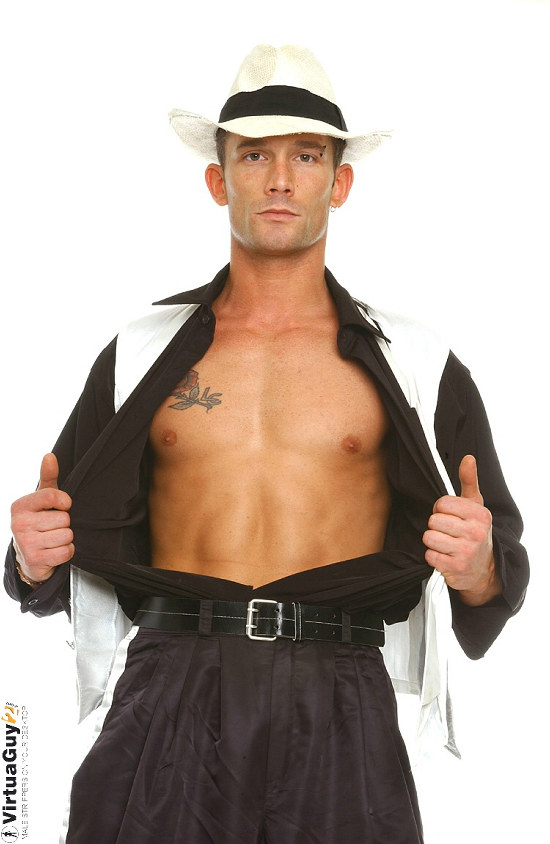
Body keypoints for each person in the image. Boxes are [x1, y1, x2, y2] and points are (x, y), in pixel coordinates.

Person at [5, 44, 528, 843]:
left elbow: (493, 568)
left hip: (339, 695)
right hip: (170, 683)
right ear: (219, 181)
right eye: (254, 155)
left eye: (306, 156)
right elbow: (56, 546)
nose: (280, 179)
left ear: (338, 183)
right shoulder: (142, 353)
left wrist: (478, 564)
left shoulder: (417, 362)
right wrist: (33, 561)